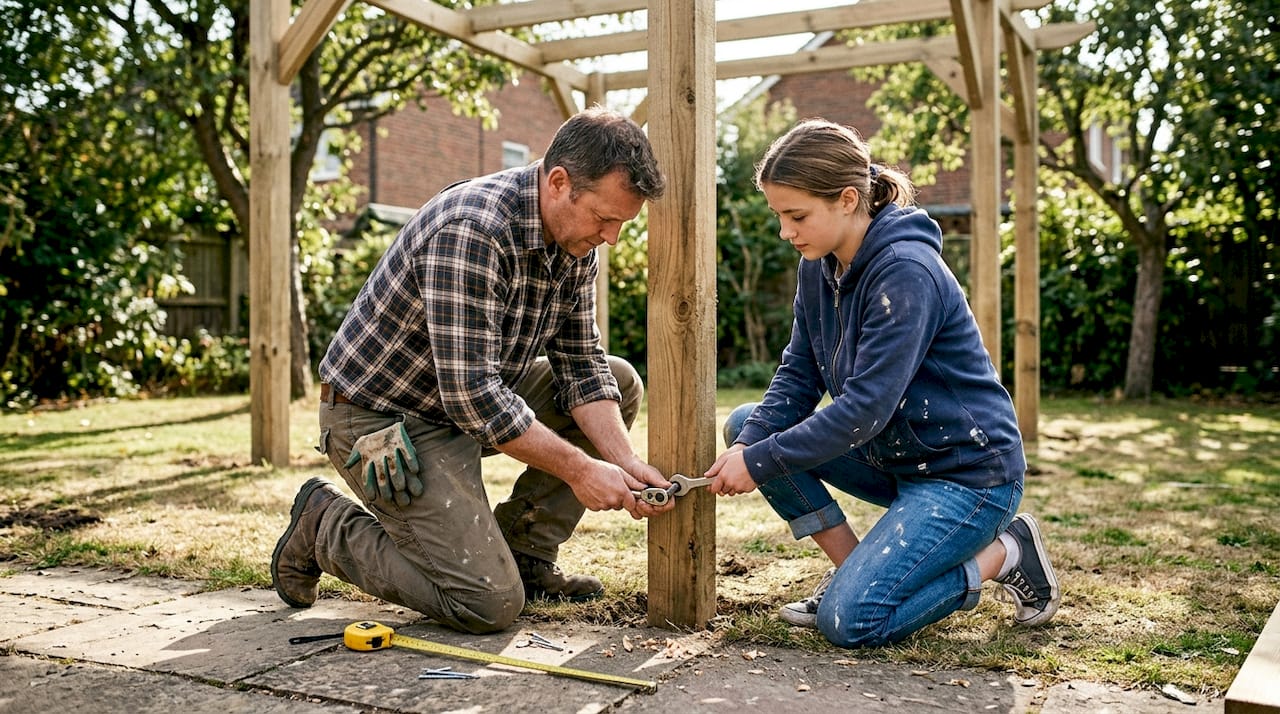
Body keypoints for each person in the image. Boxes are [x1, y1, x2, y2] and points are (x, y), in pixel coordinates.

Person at [271, 107, 675, 635]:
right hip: (381, 421)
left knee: (617, 381)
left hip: (460, 407)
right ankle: (324, 527)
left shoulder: (575, 248)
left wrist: (623, 463)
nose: (612, 237)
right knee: (486, 604)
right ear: (559, 183)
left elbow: (582, 365)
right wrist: (581, 471)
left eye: (621, 223)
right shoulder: (474, 229)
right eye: (605, 219)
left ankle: (525, 554)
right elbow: (473, 396)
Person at [705, 118, 1060, 648]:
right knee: (746, 427)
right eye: (780, 215)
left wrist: (757, 462)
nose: (786, 231)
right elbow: (798, 375)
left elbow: (864, 409)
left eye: (796, 215)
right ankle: (852, 573)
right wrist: (751, 446)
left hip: (967, 477)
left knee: (852, 623)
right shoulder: (818, 265)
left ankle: (1006, 551)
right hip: (896, 458)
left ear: (848, 199)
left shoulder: (906, 270)